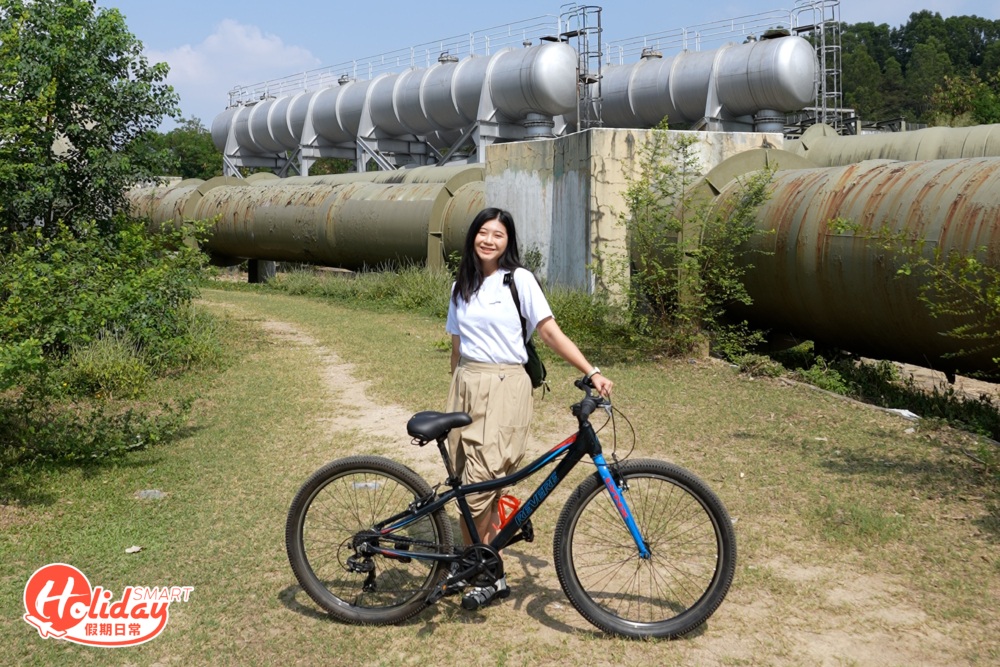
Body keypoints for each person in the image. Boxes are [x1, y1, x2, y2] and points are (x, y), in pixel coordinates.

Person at [445, 207, 613, 610]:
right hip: (465, 383)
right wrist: (455, 390)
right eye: (483, 233)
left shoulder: (518, 280)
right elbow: (456, 345)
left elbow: (549, 332)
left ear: (508, 242)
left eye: (497, 235)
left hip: (505, 385)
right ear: (472, 237)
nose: (488, 240)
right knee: (467, 480)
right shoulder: (461, 285)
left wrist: (591, 371)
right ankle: (484, 567)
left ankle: (480, 568)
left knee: (482, 483)